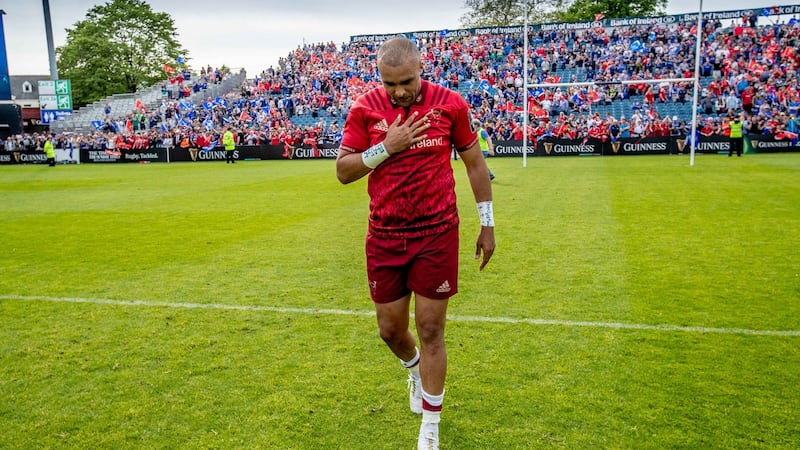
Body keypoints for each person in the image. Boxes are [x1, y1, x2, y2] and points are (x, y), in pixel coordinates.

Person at [336, 37, 495, 450]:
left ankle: (430, 426)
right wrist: (385, 148)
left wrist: (487, 224)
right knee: (390, 330)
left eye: (406, 81)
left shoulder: (450, 104)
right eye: (390, 84)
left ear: (421, 69)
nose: (399, 91)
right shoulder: (364, 108)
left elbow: (475, 164)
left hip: (436, 232)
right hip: (385, 235)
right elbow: (343, 171)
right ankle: (413, 368)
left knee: (430, 328)